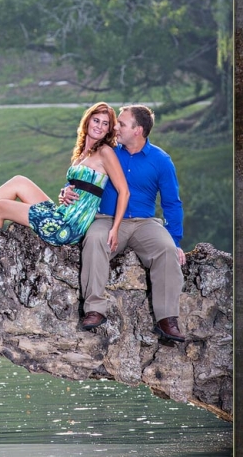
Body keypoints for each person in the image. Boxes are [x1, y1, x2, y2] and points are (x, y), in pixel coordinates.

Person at [63, 104, 186, 341]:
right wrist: (65, 191)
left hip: (144, 223)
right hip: (107, 218)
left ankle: (167, 319)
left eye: (122, 123)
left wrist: (176, 240)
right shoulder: (108, 151)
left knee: (167, 250)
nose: (115, 127)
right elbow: (81, 176)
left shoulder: (161, 161)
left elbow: (172, 203)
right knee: (95, 238)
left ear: (138, 130)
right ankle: (94, 309)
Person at [0, 102, 129, 252]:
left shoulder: (105, 152)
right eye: (96, 120)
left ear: (108, 130)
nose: (99, 126)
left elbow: (124, 191)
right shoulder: (81, 154)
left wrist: (115, 229)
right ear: (87, 121)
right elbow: (81, 186)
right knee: (19, 181)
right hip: (63, 213)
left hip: (69, 226)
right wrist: (63, 192)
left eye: (105, 124)